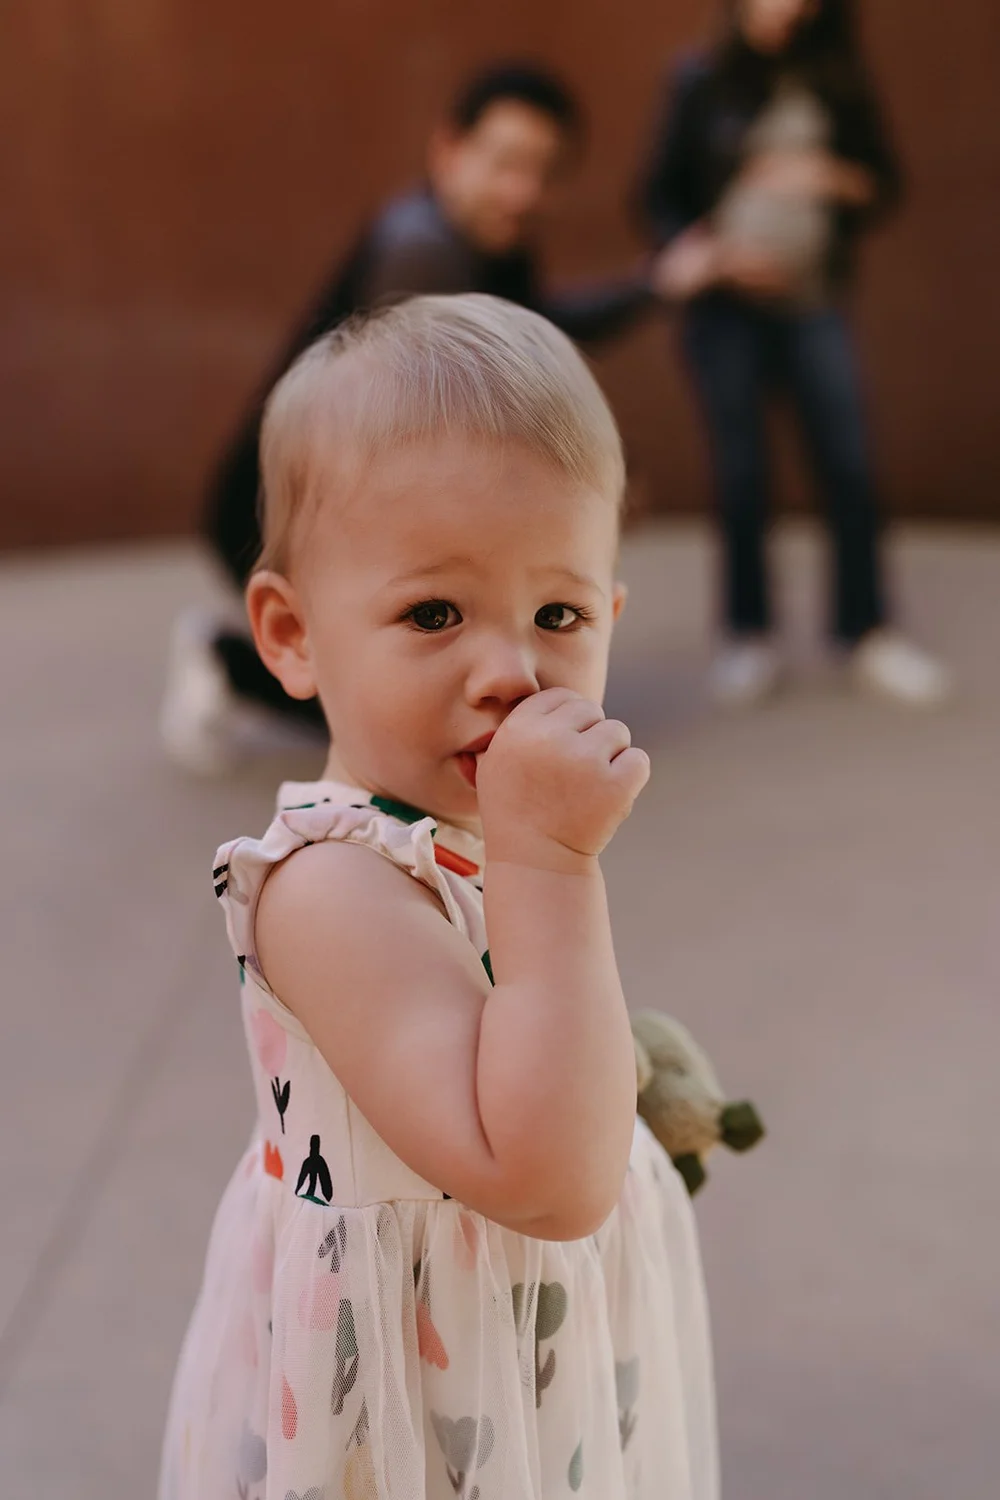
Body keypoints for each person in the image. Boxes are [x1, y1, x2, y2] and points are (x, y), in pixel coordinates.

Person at [158, 295, 718, 1499]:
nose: (511, 670)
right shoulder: (327, 887)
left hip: (521, 1378)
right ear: (292, 635)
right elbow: (543, 1177)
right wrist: (549, 863)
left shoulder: (467, 830)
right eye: (433, 613)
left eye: (558, 614)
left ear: (610, 617)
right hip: (410, 1418)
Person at [163, 63, 662, 773]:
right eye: (506, 163)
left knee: (419, 678)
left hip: (321, 497)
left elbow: (543, 326)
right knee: (391, 698)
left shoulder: (490, 241)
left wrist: (654, 285)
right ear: (448, 151)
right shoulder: (421, 250)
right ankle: (227, 664)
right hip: (276, 509)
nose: (522, 190)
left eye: (543, 172)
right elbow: (461, 413)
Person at [640, 0, 950, 706]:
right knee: (743, 472)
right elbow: (657, 198)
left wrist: (824, 176)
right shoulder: (701, 78)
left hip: (814, 302)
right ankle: (749, 634)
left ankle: (865, 629)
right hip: (726, 312)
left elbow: (884, 182)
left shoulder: (835, 77)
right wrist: (715, 256)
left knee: (849, 462)